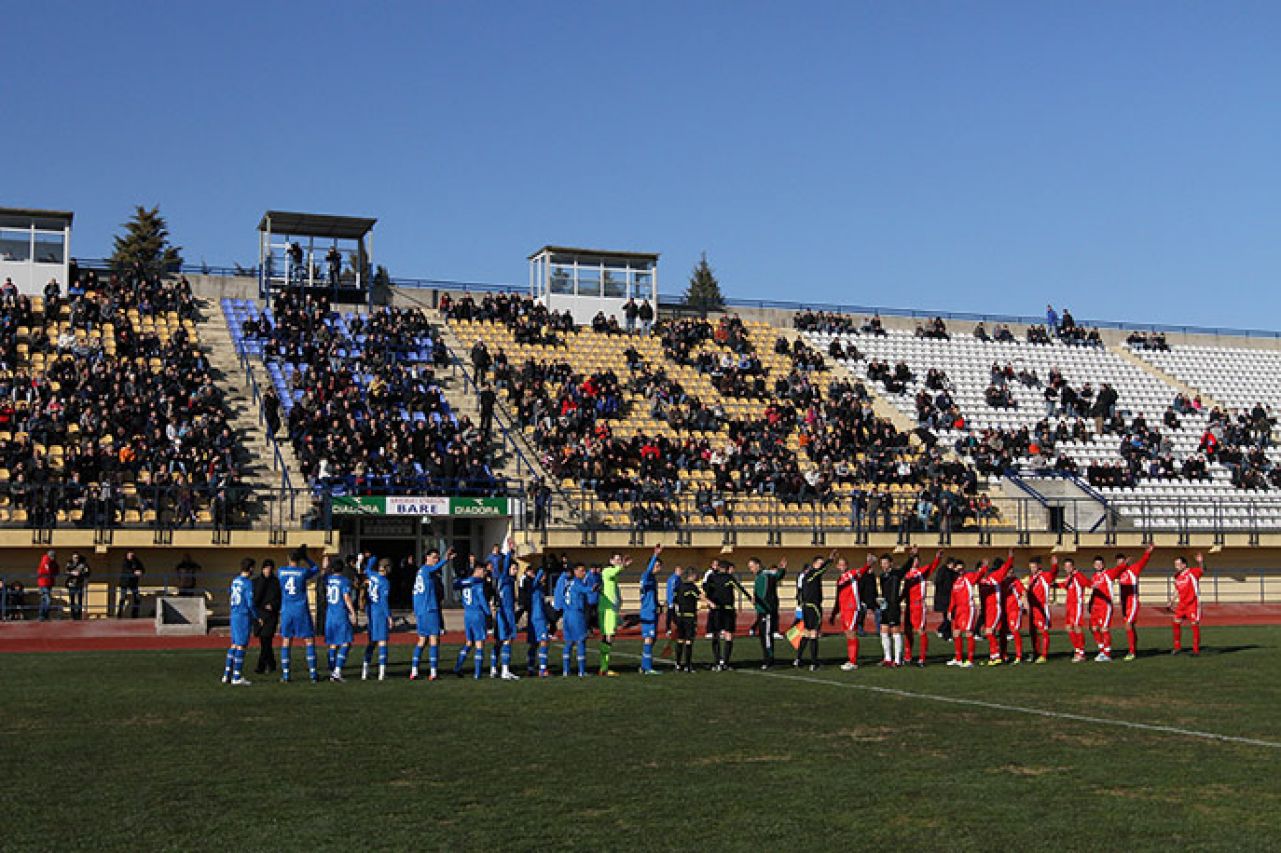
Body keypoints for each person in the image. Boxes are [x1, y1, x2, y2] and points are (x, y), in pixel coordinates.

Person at [278, 547, 321, 683]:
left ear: (288, 559)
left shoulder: (280, 571)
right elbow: (316, 568)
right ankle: (313, 674)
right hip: (301, 609)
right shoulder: (303, 572)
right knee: (308, 640)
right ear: (299, 560)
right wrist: (307, 558)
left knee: (286, 640)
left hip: (287, 610)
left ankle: (286, 674)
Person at [411, 547, 453, 681]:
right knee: (434, 639)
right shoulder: (426, 569)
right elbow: (435, 568)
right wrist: (446, 560)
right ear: (427, 557)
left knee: (422, 640)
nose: (436, 560)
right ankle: (433, 672)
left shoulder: (421, 572)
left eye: (437, 558)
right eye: (433, 557)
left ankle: (414, 670)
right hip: (429, 609)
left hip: (421, 610)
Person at [702, 560, 752, 671]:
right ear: (727, 568)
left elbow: (705, 589)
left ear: (718, 567)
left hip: (716, 609)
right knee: (728, 634)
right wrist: (750, 598)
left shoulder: (711, 577)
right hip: (728, 610)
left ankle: (717, 661)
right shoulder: (729, 578)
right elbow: (739, 588)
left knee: (715, 634)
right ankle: (726, 662)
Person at [830, 554, 873, 671]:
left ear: (847, 565)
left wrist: (868, 564)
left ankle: (853, 661)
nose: (842, 566)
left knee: (851, 632)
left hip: (852, 608)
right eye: (840, 564)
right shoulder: (839, 580)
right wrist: (835, 612)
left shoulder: (852, 574)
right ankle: (851, 659)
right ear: (837, 566)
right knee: (848, 634)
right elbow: (838, 597)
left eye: (844, 564)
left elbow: (862, 571)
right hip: (844, 610)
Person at [902, 548, 944, 667]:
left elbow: (932, 566)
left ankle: (922, 658)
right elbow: (905, 590)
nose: (915, 562)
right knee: (907, 630)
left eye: (916, 560)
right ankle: (908, 656)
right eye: (913, 560)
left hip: (918, 605)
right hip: (908, 605)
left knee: (920, 630)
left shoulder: (921, 572)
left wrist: (938, 558)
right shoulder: (907, 574)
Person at [453, 560, 492, 679]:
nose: (485, 573)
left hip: (467, 614)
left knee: (469, 642)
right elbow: (481, 600)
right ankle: (477, 673)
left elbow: (455, 585)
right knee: (480, 643)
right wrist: (489, 613)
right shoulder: (478, 583)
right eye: (484, 571)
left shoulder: (465, 582)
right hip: (477, 613)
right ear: (478, 570)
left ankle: (457, 667)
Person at [1116, 545, 1156, 661]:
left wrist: (1147, 553)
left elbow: (1143, 562)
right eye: (1118, 562)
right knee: (1131, 626)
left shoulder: (1133, 569)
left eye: (1122, 561)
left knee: (1128, 625)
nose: (1120, 564)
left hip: (1132, 601)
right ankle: (1134, 648)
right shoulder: (1119, 573)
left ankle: (1132, 652)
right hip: (1124, 603)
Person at [795, 552, 834, 671]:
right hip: (813, 607)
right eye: (819, 564)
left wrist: (800, 603)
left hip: (806, 607)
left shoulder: (806, 576)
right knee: (813, 633)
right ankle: (813, 662)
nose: (821, 566)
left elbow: (800, 592)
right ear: (814, 564)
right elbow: (821, 570)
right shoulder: (813, 574)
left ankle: (798, 659)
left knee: (806, 633)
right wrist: (830, 560)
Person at [488, 538, 520, 680]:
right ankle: (505, 670)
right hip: (506, 613)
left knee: (499, 641)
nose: (516, 571)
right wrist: (510, 551)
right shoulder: (505, 578)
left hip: (504, 612)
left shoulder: (505, 580)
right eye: (514, 568)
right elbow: (507, 562)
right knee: (507, 640)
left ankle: (493, 668)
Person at [222, 561, 256, 686]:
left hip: (234, 613)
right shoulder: (248, 583)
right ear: (251, 568)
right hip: (243, 615)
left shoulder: (235, 580)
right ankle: (236, 676)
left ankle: (226, 674)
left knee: (234, 644)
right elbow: (250, 602)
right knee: (241, 645)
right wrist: (256, 616)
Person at [1087, 554, 1126, 662]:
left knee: (1104, 629)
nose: (1098, 565)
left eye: (1100, 564)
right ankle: (1102, 650)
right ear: (1093, 565)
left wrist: (1123, 563)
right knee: (1093, 628)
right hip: (1095, 606)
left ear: (1103, 564)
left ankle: (1107, 653)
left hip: (1105, 606)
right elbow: (1094, 592)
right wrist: (1090, 603)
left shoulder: (1108, 574)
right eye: (1096, 564)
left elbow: (1118, 570)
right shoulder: (1094, 577)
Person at [750, 555, 786, 670]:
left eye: (751, 566)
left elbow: (777, 576)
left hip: (767, 610)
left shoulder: (766, 575)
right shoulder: (759, 576)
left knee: (766, 635)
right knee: (763, 635)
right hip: (760, 610)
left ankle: (769, 659)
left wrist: (782, 569)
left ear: (757, 565)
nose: (751, 569)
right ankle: (767, 657)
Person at [978, 551, 1014, 665]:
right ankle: (994, 655)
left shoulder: (995, 576)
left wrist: (1010, 557)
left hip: (995, 607)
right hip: (988, 609)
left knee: (989, 632)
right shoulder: (982, 580)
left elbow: (1006, 567)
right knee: (990, 632)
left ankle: (996, 655)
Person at [324, 562, 357, 681]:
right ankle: (337, 671)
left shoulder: (328, 579)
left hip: (329, 615)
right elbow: (346, 597)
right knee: (346, 643)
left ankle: (332, 671)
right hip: (340, 614)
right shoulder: (344, 581)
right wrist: (353, 613)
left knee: (333, 644)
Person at [557, 563, 591, 677]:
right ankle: (581, 671)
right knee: (581, 641)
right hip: (576, 614)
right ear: (575, 571)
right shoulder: (577, 582)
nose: (584, 573)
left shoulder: (568, 584)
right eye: (581, 570)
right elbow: (585, 590)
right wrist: (593, 588)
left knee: (569, 642)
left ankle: (566, 670)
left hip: (566, 614)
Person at [947, 561, 982, 667]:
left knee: (968, 632)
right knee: (956, 633)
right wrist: (950, 610)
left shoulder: (969, 577)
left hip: (967, 608)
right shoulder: (955, 581)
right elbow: (953, 598)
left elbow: (978, 576)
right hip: (958, 610)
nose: (960, 571)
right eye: (957, 569)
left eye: (961, 569)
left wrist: (984, 568)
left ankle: (970, 660)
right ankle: (958, 659)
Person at [363, 557, 392, 681]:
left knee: (371, 642)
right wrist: (389, 616)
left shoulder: (371, 574)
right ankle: (382, 672)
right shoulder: (385, 582)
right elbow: (384, 601)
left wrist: (372, 559)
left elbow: (367, 568)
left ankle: (365, 671)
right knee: (382, 641)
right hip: (379, 612)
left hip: (370, 612)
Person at [1170, 553, 1205, 656]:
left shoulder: (1192, 572)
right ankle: (1177, 647)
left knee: (1194, 625)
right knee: (1175, 622)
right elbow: (1177, 589)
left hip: (1193, 603)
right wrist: (1171, 600)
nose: (1176, 566)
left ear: (1184, 565)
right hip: (1182, 604)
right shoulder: (1177, 576)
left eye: (1178, 564)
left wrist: (1200, 562)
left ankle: (1196, 649)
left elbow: (1202, 570)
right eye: (1175, 564)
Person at [1026, 556, 1059, 663]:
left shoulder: (1045, 576)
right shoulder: (1031, 578)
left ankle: (1044, 655)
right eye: (1030, 567)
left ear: (1039, 566)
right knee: (1032, 632)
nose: (1032, 569)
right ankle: (1036, 652)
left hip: (1041, 608)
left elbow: (1053, 574)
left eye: (1034, 567)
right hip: (1033, 608)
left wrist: (1054, 565)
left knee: (1042, 631)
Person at [637, 544, 664, 675]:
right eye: (657, 565)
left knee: (653, 638)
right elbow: (648, 571)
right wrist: (655, 555)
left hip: (652, 610)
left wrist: (658, 605)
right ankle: (646, 667)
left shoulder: (652, 579)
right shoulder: (646, 576)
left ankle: (644, 665)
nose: (659, 568)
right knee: (649, 638)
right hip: (647, 611)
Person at [672, 567, 702, 672]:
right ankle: (688, 665)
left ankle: (678, 664)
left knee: (680, 639)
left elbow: (674, 601)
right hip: (689, 616)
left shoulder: (678, 587)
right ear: (692, 576)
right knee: (689, 640)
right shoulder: (692, 588)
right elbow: (700, 597)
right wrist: (711, 603)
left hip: (679, 616)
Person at [1058, 559, 1089, 662]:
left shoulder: (1078, 575)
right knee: (1068, 628)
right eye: (1066, 566)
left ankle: (1081, 653)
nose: (1067, 568)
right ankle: (1077, 650)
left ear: (1073, 566)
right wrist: (1053, 584)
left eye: (1069, 566)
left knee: (1077, 626)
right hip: (1069, 606)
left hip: (1077, 605)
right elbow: (1064, 585)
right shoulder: (1069, 577)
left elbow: (1086, 583)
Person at [252, 559, 280, 674]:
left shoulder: (276, 582)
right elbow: (255, 599)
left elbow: (280, 599)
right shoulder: (256, 582)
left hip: (271, 615)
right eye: (266, 568)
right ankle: (271, 664)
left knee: (266, 640)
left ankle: (261, 666)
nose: (268, 570)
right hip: (259, 614)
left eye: (270, 568)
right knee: (265, 641)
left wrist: (273, 605)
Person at [525, 566, 553, 677]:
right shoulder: (534, 586)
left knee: (534, 644)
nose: (545, 577)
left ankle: (530, 668)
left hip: (535, 618)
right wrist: (541, 567)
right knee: (543, 642)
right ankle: (542, 669)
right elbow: (536, 580)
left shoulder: (540, 588)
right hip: (538, 619)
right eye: (544, 575)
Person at [1002, 569, 1027, 665]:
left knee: (1014, 631)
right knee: (1003, 632)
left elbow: (1023, 593)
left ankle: (1019, 656)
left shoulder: (1016, 581)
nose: (1009, 574)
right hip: (1005, 610)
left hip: (1015, 609)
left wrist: (1025, 605)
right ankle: (1004, 655)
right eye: (1008, 572)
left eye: (1011, 572)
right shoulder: (1003, 582)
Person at [116, 551, 145, 619]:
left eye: (132, 555)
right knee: (123, 598)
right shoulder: (125, 562)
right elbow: (127, 570)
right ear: (127, 555)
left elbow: (143, 569)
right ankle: (119, 613)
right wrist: (134, 572)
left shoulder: (136, 561)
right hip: (125, 582)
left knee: (137, 598)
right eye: (130, 555)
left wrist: (140, 571)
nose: (131, 557)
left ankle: (135, 614)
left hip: (133, 583)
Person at [64, 552, 89, 621]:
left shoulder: (83, 564)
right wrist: (71, 573)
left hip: (79, 583)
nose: (75, 559)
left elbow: (87, 573)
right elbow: (65, 572)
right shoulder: (69, 564)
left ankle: (79, 615)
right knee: (72, 600)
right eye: (74, 557)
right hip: (71, 584)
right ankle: (72, 615)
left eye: (77, 558)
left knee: (80, 600)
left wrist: (80, 573)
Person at [37, 549, 58, 622]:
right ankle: (43, 615)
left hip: (49, 583)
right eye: (52, 556)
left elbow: (56, 571)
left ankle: (43, 616)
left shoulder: (53, 562)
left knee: (44, 600)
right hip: (43, 583)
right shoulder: (45, 560)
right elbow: (47, 570)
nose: (53, 558)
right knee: (47, 600)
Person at [664, 563, 682, 636]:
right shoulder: (673, 579)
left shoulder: (678, 579)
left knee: (674, 615)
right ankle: (668, 629)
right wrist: (671, 601)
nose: (681, 572)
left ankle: (678, 627)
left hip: (675, 599)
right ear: (676, 571)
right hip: (672, 600)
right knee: (670, 615)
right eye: (680, 570)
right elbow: (671, 590)